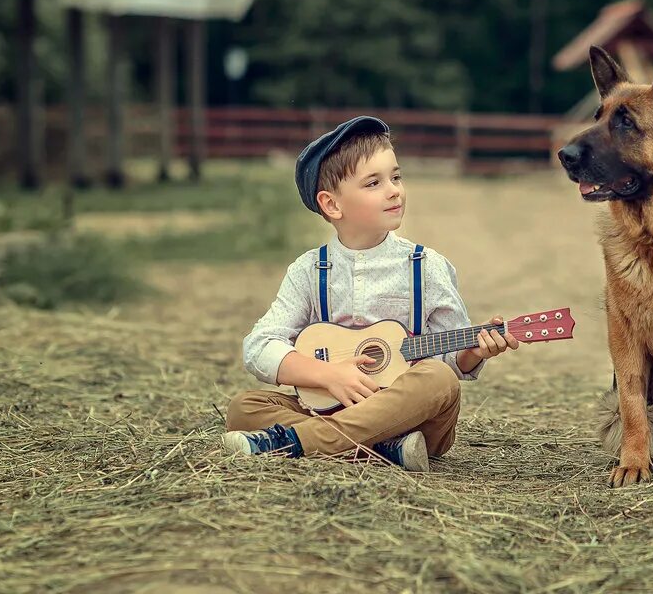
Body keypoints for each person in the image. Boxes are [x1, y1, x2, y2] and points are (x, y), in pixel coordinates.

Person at [222, 116, 518, 471]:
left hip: (413, 419)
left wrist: (471, 353)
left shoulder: (427, 267)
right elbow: (258, 347)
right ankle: (385, 450)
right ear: (332, 205)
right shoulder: (310, 271)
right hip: (333, 405)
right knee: (243, 408)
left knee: (438, 380)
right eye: (373, 183)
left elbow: (451, 364)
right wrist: (327, 375)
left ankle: (304, 442)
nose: (394, 190)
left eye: (396, 177)